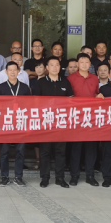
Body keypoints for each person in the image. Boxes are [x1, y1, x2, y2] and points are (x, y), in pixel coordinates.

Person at [35, 56, 73, 188]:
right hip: (45, 122)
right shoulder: (41, 82)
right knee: (45, 151)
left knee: (60, 151)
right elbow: (35, 103)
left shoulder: (65, 82)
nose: (55, 67)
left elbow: (71, 101)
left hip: (61, 122)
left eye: (57, 64)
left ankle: (60, 178)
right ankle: (45, 178)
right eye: (52, 65)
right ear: (47, 68)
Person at [67, 53, 101, 187]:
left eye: (87, 62)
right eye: (82, 62)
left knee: (91, 148)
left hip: (91, 118)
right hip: (76, 117)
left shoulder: (95, 78)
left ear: (90, 64)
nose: (84, 64)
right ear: (77, 64)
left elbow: (97, 94)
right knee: (76, 148)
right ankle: (74, 176)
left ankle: (90, 175)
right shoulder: (70, 78)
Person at [0, 61, 31, 186]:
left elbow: (29, 106)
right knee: (4, 152)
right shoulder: (1, 87)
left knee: (20, 151)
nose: (12, 72)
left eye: (14, 70)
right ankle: (4, 176)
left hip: (20, 122)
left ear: (18, 71)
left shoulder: (24, 87)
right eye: (10, 70)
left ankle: (18, 177)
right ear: (6, 72)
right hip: (6, 123)